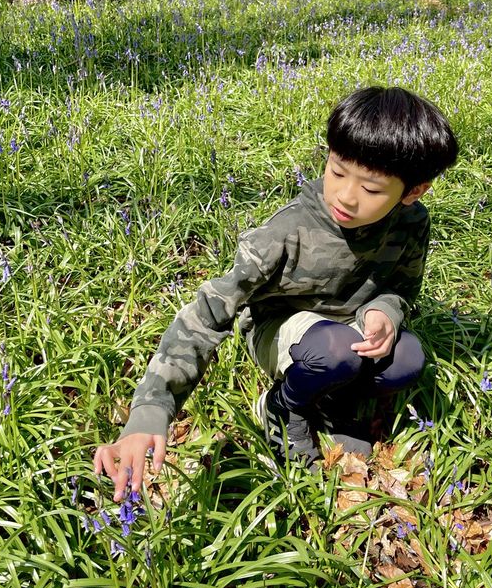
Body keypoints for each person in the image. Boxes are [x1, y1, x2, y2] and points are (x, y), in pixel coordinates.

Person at [94, 86, 458, 500]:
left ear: (413, 192)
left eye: (372, 190)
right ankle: (285, 409)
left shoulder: (412, 223)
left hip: (348, 328)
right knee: (332, 351)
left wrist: (386, 313)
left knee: (407, 359)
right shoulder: (284, 234)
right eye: (337, 171)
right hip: (281, 330)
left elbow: (402, 289)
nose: (346, 196)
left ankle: (331, 404)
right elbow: (206, 315)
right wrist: (149, 412)